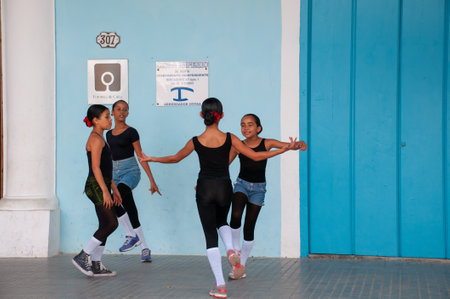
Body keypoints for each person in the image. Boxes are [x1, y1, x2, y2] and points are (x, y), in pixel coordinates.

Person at [139, 98, 298, 298]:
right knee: (222, 221)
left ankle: (221, 285)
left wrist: (152, 158)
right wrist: (282, 150)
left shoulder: (196, 140)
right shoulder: (231, 138)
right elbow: (256, 156)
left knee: (210, 236)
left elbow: (175, 158)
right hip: (224, 187)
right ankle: (231, 250)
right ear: (221, 115)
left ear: (201, 115)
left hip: (204, 187)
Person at [228, 114, 307, 280]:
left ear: (258, 128)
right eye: (243, 125)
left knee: (249, 228)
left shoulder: (267, 143)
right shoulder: (238, 146)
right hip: (241, 184)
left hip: (258, 189)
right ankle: (235, 251)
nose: (246, 128)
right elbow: (222, 165)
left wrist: (298, 144)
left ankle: (241, 266)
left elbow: (288, 145)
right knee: (235, 215)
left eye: (250, 125)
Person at [106, 100, 161, 262]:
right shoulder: (108, 134)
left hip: (130, 171)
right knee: (129, 207)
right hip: (114, 173)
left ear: (128, 113)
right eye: (118, 109)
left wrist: (152, 180)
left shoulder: (132, 132)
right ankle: (144, 248)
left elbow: (141, 156)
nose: (121, 112)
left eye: (125, 110)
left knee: (117, 197)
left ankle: (130, 235)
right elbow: (108, 158)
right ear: (112, 112)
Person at [72, 104, 121, 277]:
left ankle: (96, 265)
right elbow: (96, 167)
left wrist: (113, 189)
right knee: (111, 223)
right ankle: (83, 256)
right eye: (107, 116)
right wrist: (105, 191)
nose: (110, 120)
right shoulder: (95, 139)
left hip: (102, 184)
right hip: (96, 185)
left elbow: (107, 168)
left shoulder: (101, 138)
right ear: (95, 120)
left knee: (105, 224)